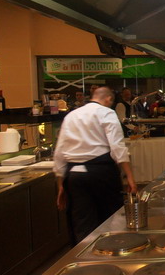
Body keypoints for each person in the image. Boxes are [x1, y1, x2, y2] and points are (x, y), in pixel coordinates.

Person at [53, 86, 137, 245]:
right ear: (108, 99)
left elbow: (59, 152)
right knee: (110, 219)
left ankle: (84, 256)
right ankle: (109, 251)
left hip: (75, 175)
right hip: (100, 171)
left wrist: (60, 185)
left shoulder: (71, 116)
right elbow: (117, 147)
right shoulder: (107, 113)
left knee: (82, 222)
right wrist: (130, 178)